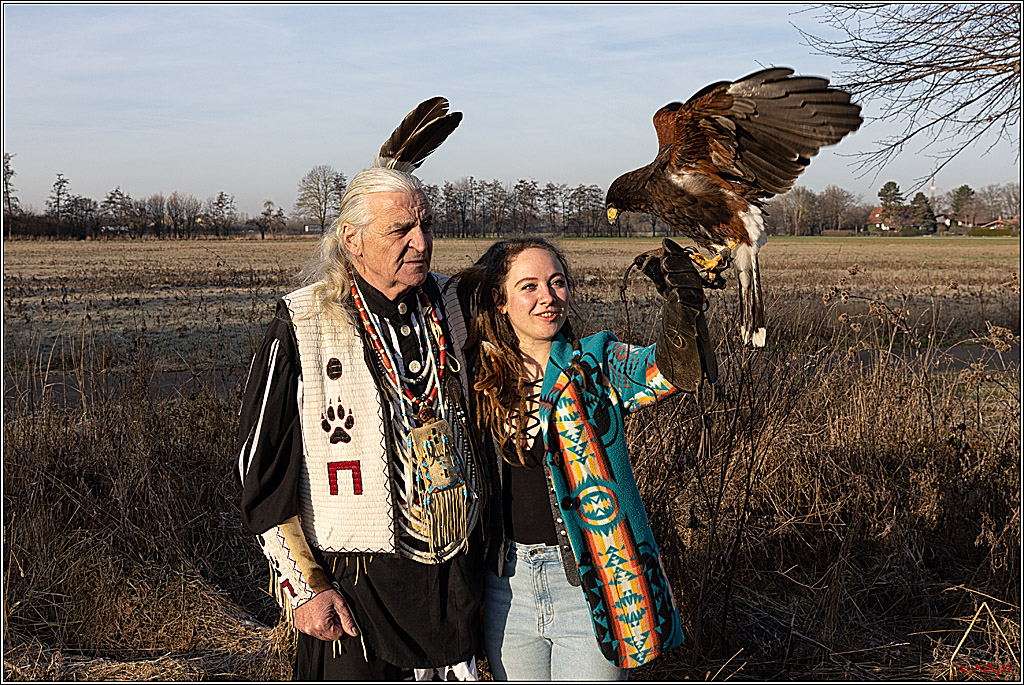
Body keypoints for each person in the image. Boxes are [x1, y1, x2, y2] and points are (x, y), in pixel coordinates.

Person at [236, 168, 485, 681]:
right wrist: (306, 587)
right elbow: (260, 471)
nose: (422, 242)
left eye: (426, 225)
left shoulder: (453, 305)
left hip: (453, 579)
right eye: (400, 230)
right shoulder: (303, 323)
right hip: (355, 586)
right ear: (352, 239)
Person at [458, 237, 716, 680]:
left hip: (594, 585)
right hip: (505, 590)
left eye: (557, 282)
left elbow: (668, 373)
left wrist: (683, 309)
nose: (548, 297)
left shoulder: (594, 363)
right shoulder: (477, 377)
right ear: (500, 301)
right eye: (529, 286)